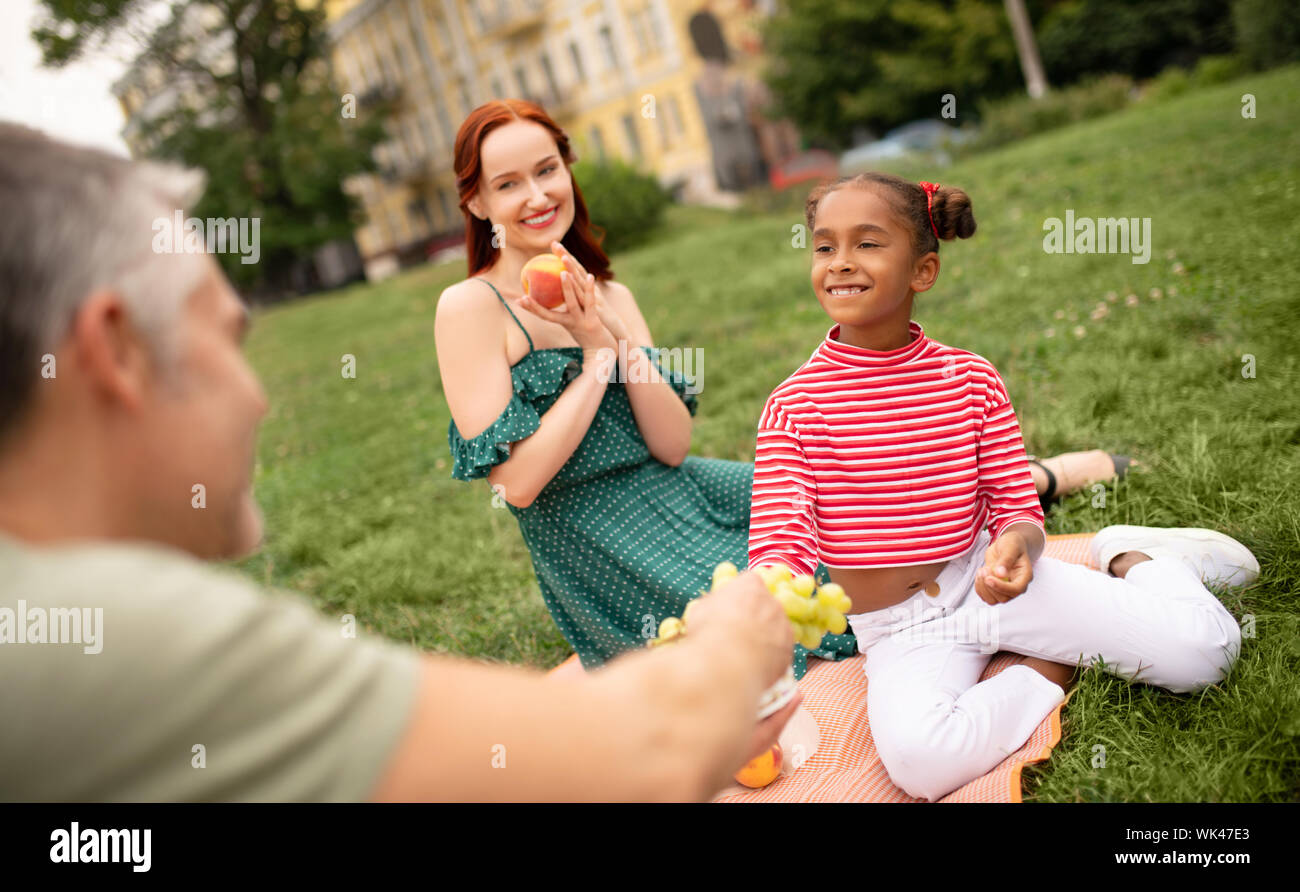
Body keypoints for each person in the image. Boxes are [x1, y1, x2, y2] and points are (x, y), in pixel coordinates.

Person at [0, 120, 802, 802]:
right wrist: (735, 645)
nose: (262, 400)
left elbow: (672, 442)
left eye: (549, 170)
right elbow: (632, 749)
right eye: (230, 338)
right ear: (115, 352)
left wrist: (608, 345)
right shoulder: (134, 641)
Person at [438, 98, 1136, 682]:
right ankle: (1034, 517)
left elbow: (672, 443)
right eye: (507, 185)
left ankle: (1027, 488)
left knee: (866, 510)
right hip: (593, 535)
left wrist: (612, 331)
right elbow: (520, 485)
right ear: (475, 201)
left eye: (547, 170)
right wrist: (596, 358)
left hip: (682, 486)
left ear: (567, 170)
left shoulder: (610, 290)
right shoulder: (470, 308)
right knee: (801, 620)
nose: (536, 196)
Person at [745, 172, 1257, 801]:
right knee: (920, 765)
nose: (840, 264)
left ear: (923, 271)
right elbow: (780, 538)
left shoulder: (970, 379)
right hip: (901, 631)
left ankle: (1137, 558)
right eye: (825, 247)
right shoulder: (793, 406)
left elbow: (1015, 506)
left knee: (1206, 655)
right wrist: (772, 594)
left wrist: (1018, 546)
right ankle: (1048, 667)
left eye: (868, 244)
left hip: (990, 586)